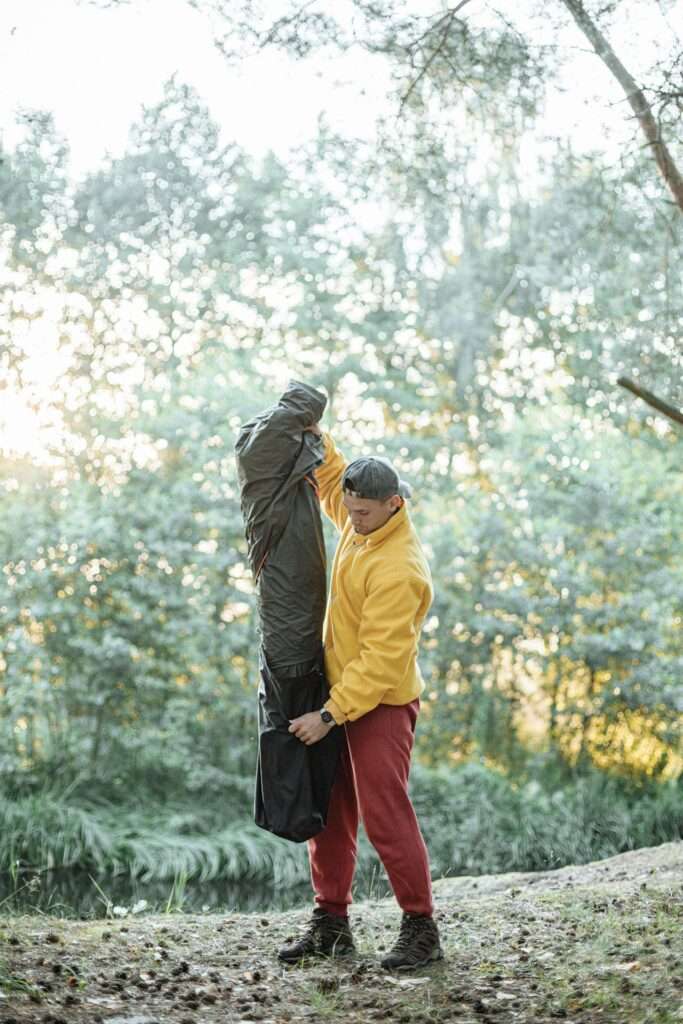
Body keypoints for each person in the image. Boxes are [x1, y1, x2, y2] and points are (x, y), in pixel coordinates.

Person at [279, 424, 443, 971]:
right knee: (329, 810)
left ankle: (422, 929)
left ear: (394, 504)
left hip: (381, 704)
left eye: (365, 512)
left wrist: (328, 714)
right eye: (349, 509)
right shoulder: (358, 520)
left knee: (384, 813)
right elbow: (330, 481)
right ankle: (331, 924)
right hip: (341, 696)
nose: (351, 519)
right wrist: (314, 437)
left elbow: (381, 663)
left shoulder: (401, 568)